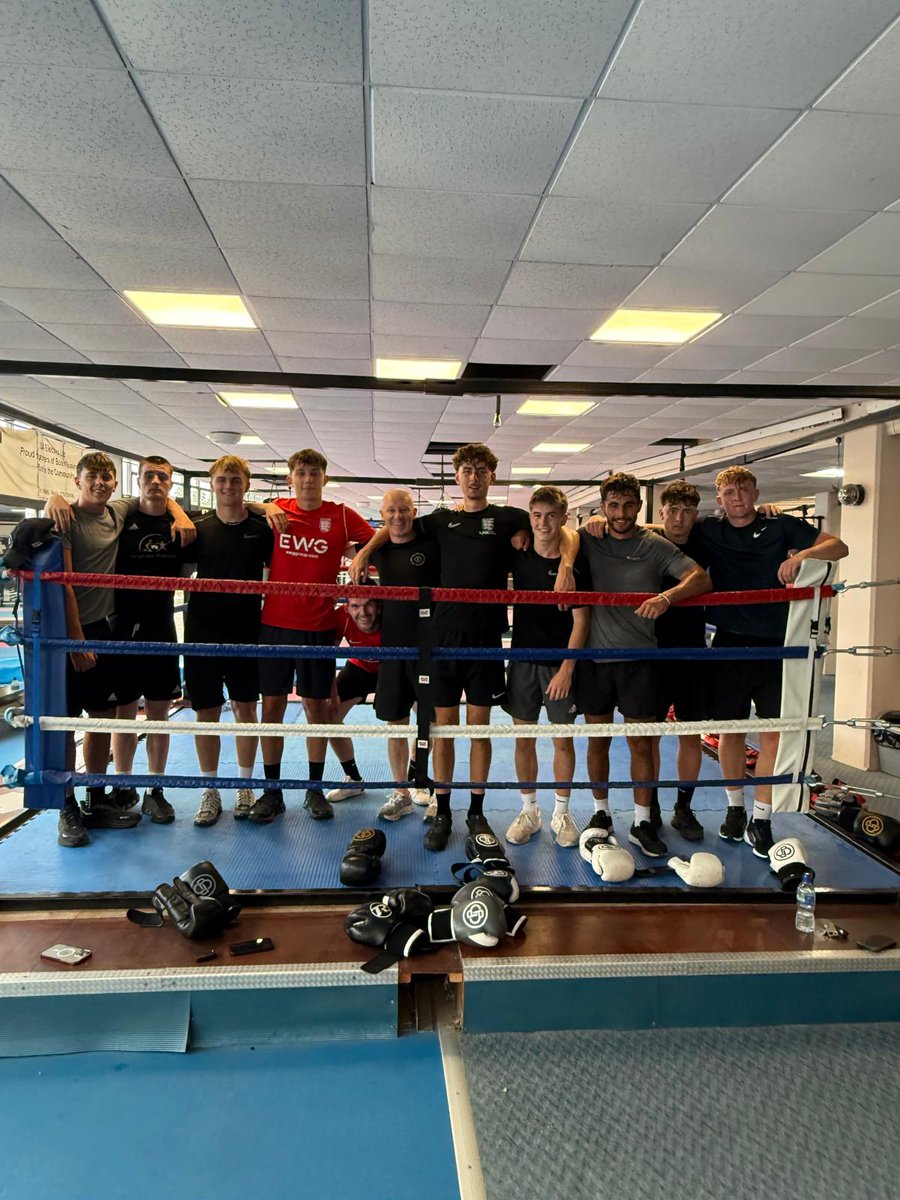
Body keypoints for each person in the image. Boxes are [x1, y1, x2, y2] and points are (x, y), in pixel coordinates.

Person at [351, 443, 577, 852]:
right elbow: (397, 526)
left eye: (481, 470)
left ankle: (476, 810)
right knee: (445, 731)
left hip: (485, 644)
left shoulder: (509, 518)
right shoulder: (440, 520)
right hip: (443, 642)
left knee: (479, 732)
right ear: (456, 477)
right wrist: (366, 549)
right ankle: (443, 808)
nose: (473, 477)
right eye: (466, 470)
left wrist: (563, 563)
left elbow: (566, 531)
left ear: (492, 476)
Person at [698, 465, 848, 857]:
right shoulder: (710, 531)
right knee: (729, 731)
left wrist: (804, 556)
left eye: (743, 490)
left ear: (755, 493)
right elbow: (667, 531)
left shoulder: (780, 525)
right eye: (729, 492)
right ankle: (735, 809)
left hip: (778, 643)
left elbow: (838, 546)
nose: (737, 497)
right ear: (720, 500)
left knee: (772, 732)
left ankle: (761, 819)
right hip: (730, 642)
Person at [46, 451, 194, 848]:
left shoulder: (116, 512)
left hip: (110, 630)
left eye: (105, 477)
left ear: (115, 483)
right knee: (64, 722)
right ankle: (68, 805)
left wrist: (179, 513)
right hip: (73, 633)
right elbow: (62, 583)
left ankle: (99, 799)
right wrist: (53, 499)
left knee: (101, 714)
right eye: (91, 476)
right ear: (78, 481)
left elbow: (159, 492)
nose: (99, 482)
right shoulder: (65, 520)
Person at [577, 472, 711, 858]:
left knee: (639, 743)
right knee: (597, 741)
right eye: (613, 506)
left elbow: (699, 578)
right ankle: (601, 814)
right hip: (596, 659)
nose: (620, 513)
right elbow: (561, 540)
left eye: (628, 505)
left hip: (640, 662)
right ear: (603, 507)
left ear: (639, 506)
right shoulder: (589, 537)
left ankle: (640, 821)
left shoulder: (654, 545)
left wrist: (667, 598)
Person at [253, 449, 374, 823]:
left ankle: (314, 788)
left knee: (317, 710)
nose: (307, 479)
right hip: (274, 625)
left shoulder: (340, 515)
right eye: (300, 473)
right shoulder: (277, 508)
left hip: (319, 627)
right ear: (291, 478)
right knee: (271, 710)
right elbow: (238, 503)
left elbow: (383, 536)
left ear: (325, 478)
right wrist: (263, 505)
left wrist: (361, 554)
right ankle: (271, 791)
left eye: (314, 473)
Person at [180, 455, 274, 827]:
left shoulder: (261, 529)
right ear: (213, 483)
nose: (229, 486)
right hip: (203, 629)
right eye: (222, 480)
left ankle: (244, 785)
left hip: (247, 628)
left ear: (246, 484)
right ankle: (210, 789)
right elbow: (180, 576)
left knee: (246, 708)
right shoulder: (197, 528)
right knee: (206, 711)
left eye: (236, 480)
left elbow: (275, 571)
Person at [504, 486, 591, 848]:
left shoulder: (577, 561)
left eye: (551, 515)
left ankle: (561, 812)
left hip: (560, 662)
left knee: (563, 741)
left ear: (563, 517)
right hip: (524, 659)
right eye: (537, 515)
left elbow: (582, 621)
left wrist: (567, 669)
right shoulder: (520, 554)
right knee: (523, 740)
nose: (543, 523)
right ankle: (530, 811)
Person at [107, 456, 183, 824]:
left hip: (161, 626)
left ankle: (155, 789)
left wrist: (179, 512)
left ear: (170, 484)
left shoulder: (180, 525)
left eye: (162, 477)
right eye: (149, 475)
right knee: (124, 710)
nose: (156, 481)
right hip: (123, 625)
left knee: (158, 712)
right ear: (137, 480)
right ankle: (123, 785)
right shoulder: (121, 516)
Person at [368, 488, 441, 821]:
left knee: (430, 721)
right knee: (395, 722)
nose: (398, 517)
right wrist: (361, 554)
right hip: (393, 648)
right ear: (382, 515)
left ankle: (423, 781)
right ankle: (400, 791)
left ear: (414, 512)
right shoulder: (379, 550)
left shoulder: (431, 542)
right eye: (391, 512)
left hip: (428, 646)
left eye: (404, 510)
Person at [650, 480, 711, 842]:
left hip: (691, 650)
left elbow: (740, 522)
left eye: (687, 511)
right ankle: (652, 805)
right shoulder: (649, 542)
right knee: (650, 735)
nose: (679, 518)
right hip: (652, 650)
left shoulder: (706, 539)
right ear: (661, 513)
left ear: (696, 514)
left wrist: (768, 512)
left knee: (690, 734)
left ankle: (683, 807)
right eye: (672, 510)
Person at [324, 591, 383, 803]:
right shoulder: (342, 617)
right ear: (347, 607)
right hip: (359, 667)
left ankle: (415, 777)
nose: (363, 613)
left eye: (368, 605)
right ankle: (354, 779)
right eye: (356, 606)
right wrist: (331, 694)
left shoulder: (392, 616)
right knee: (328, 716)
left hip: (392, 668)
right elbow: (328, 655)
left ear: (378, 605)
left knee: (428, 717)